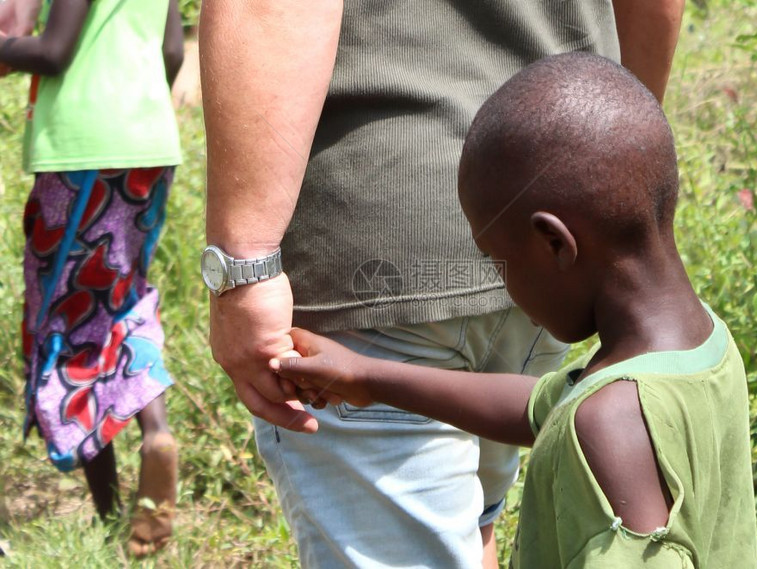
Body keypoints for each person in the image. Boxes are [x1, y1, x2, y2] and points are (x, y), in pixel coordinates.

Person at [199, 1, 683, 567]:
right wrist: (610, 176)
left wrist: (242, 265)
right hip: (549, 247)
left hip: (378, 244)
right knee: (473, 526)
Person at [274, 52, 757, 568]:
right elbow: (543, 406)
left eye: (496, 261)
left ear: (554, 243)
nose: (501, 282)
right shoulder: (700, 345)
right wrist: (367, 377)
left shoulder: (610, 425)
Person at [0, 0, 184, 556]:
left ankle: (107, 515)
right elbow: (172, 51)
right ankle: (157, 432)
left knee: (67, 320)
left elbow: (54, 53)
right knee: (123, 300)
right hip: (149, 144)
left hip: (81, 154)